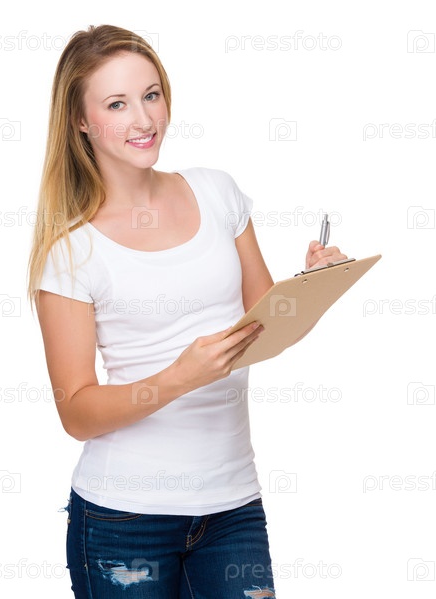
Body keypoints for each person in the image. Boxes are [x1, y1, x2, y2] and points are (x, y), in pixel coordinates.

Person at [27, 24, 346, 599]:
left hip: (233, 508)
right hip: (124, 520)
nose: (143, 119)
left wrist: (316, 286)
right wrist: (178, 378)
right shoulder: (72, 251)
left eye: (151, 95)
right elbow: (75, 412)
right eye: (117, 104)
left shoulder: (217, 193)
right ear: (79, 121)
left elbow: (264, 326)